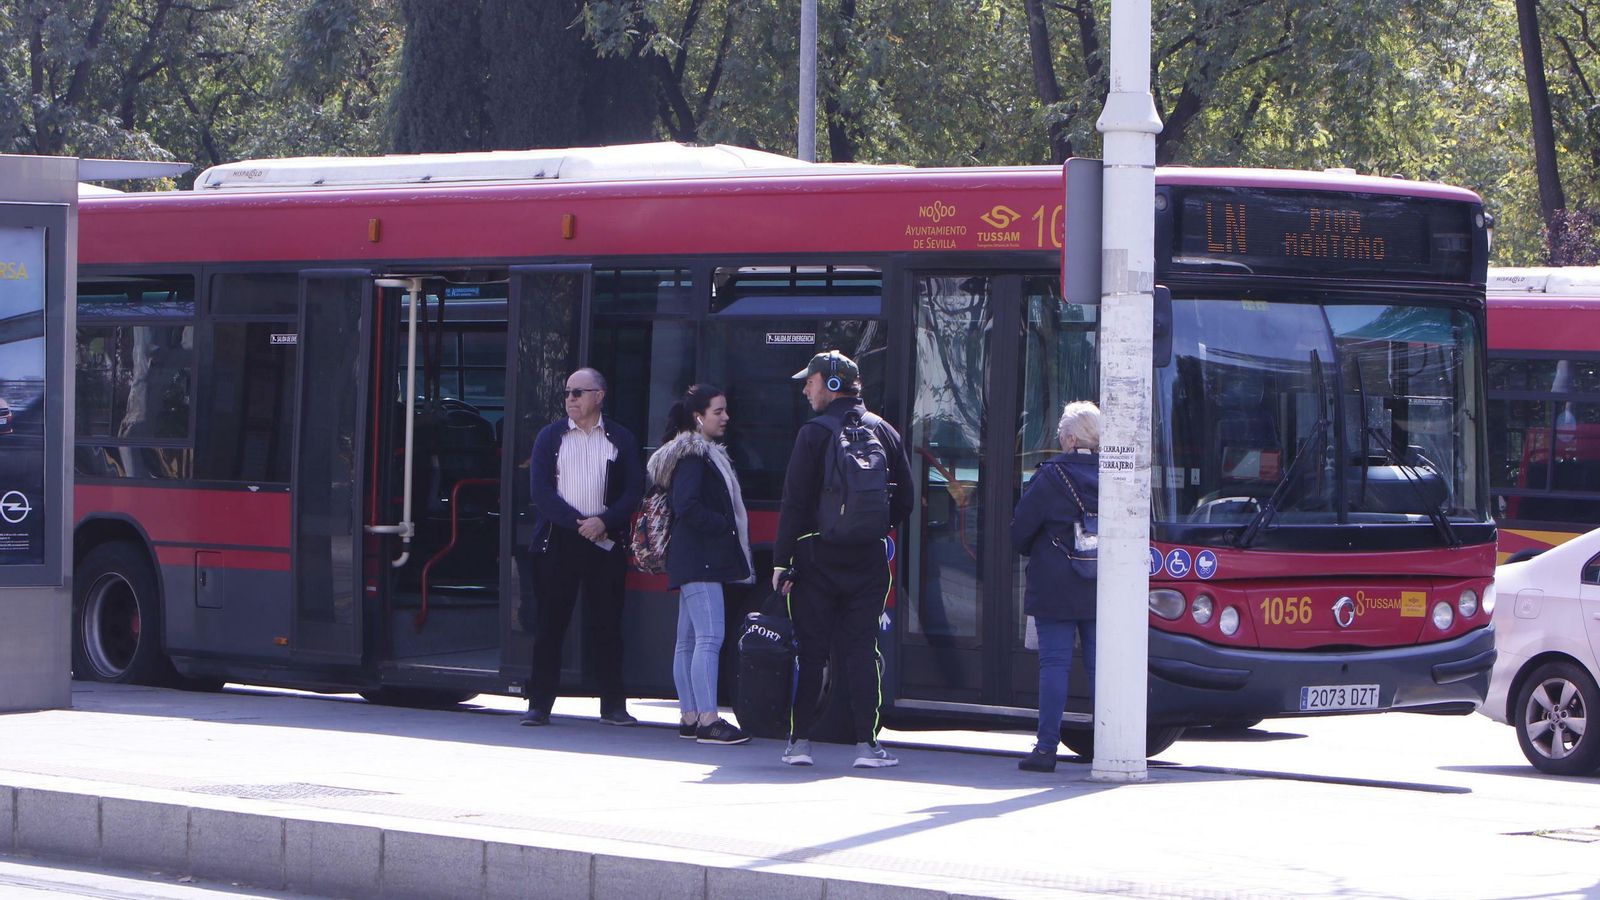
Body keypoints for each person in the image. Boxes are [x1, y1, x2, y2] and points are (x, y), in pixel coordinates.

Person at [772, 350, 913, 768]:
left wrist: (782, 561)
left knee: (811, 652)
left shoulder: (813, 433)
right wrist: (872, 530)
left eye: (810, 382)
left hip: (816, 558)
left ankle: (800, 744)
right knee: (862, 650)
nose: (805, 389)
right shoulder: (885, 431)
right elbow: (904, 499)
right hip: (868, 561)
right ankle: (866, 747)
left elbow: (794, 501)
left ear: (831, 384)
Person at [522, 367, 645, 727]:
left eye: (578, 392)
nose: (570, 399)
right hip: (560, 539)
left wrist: (603, 522)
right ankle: (539, 705)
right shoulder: (550, 437)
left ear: (599, 396)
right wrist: (579, 523)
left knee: (607, 625)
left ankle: (613, 706)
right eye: (567, 393)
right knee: (550, 625)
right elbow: (541, 492)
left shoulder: (620, 438)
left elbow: (633, 489)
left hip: (605, 540)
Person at [646, 384, 755, 745]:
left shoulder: (689, 454)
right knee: (709, 638)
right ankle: (708, 719)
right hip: (701, 558)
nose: (726, 417)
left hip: (691, 557)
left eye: (725, 410)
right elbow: (687, 505)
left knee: (688, 640)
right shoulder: (695, 456)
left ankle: (690, 716)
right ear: (698, 417)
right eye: (718, 411)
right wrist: (723, 524)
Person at [1010, 401, 1101, 772]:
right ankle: (1112, 741)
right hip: (1102, 583)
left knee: (1054, 665)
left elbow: (1020, 532)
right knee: (1102, 668)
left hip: (1055, 585)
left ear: (1069, 438)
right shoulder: (1117, 474)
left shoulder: (1050, 477)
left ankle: (1047, 748)